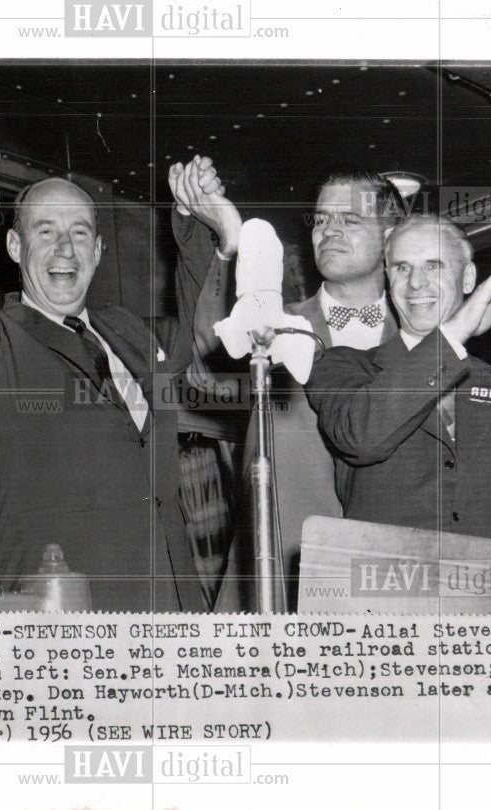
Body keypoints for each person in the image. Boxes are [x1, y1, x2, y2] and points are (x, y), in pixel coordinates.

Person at [0, 90, 236, 612]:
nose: (65, 250)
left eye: (79, 233)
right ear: (13, 247)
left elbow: (196, 335)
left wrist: (193, 220)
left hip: (164, 607)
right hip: (51, 618)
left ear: (98, 250)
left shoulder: (126, 332)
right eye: (44, 232)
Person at [305, 216, 491, 613]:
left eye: (434, 265)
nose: (416, 283)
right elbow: (361, 438)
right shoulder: (344, 365)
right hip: (387, 614)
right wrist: (455, 332)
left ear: (468, 278)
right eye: (402, 267)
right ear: (388, 280)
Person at [185, 167, 405, 611]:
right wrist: (231, 245)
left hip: (393, 590)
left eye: (351, 220)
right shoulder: (271, 324)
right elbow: (206, 372)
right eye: (322, 220)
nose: (330, 231)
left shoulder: (425, 346)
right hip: (278, 585)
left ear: (391, 236)